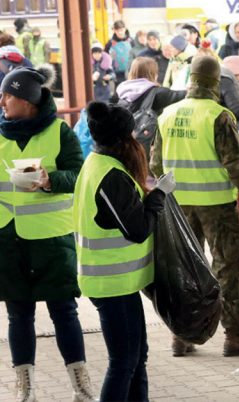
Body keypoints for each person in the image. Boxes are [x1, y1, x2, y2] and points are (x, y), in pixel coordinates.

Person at [151, 55, 239, 357]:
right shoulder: (219, 115)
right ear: (216, 82)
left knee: (186, 270)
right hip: (217, 207)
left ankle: (182, 335)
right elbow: (234, 165)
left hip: (178, 206)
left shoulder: (167, 114)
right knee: (226, 267)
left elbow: (154, 164)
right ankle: (235, 334)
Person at [0, 66, 95, 402]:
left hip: (53, 239)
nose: (2, 101)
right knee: (18, 315)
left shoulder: (59, 132)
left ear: (29, 101)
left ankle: (81, 386)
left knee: (64, 311)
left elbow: (80, 174)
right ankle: (25, 388)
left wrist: (51, 180)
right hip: (8, 241)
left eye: (9, 95)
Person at [74, 101, 172, 401]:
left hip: (119, 283)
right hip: (111, 284)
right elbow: (138, 229)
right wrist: (159, 195)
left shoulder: (98, 162)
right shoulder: (110, 175)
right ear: (124, 138)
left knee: (135, 358)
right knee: (124, 362)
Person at [115, 57, 187, 154]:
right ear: (153, 73)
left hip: (125, 147)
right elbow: (184, 95)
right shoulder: (157, 94)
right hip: (147, 148)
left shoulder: (123, 92)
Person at [105, 20, 135, 85]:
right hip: (116, 73)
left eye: (121, 30)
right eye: (117, 30)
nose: (120, 32)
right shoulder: (110, 43)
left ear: (125, 29)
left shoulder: (131, 41)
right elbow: (105, 57)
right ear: (114, 31)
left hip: (130, 71)